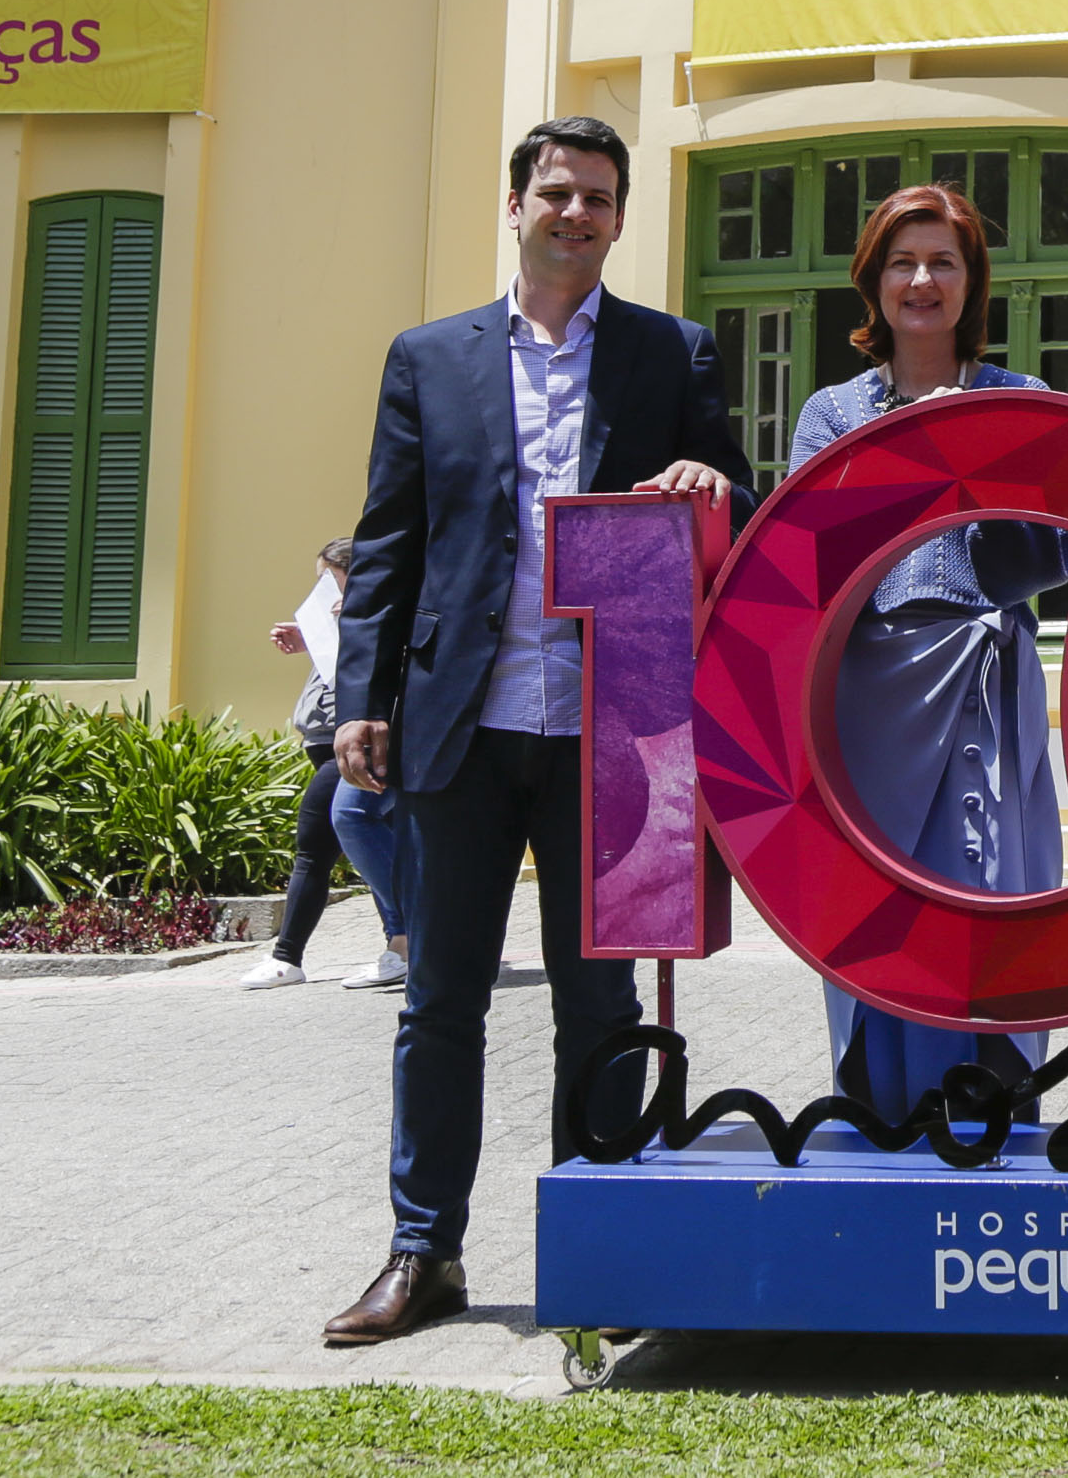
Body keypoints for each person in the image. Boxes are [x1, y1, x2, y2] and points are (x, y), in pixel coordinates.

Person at [320, 116, 753, 1348]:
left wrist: (707, 481)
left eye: (600, 199)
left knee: (598, 1001)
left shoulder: (673, 353)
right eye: (557, 192)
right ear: (514, 205)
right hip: (461, 723)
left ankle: (601, 1241)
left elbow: (734, 491)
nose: (578, 214)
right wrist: (362, 696)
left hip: (612, 731)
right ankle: (424, 1252)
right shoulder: (430, 358)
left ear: (620, 219)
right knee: (441, 1003)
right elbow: (391, 536)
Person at [781, 184, 1068, 1119]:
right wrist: (919, 455)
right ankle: (885, 1112)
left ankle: (993, 1104)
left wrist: (980, 456)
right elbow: (805, 563)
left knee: (986, 881)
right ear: (872, 282)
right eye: (903, 262)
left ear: (970, 281)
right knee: (877, 897)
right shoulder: (831, 413)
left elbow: (1057, 543)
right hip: (870, 689)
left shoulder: (1020, 399)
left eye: (943, 261)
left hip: (985, 677)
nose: (922, 280)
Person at [239, 539, 418, 993]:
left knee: (336, 829)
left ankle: (291, 956)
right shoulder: (346, 618)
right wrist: (316, 638)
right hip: (327, 744)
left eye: (328, 579)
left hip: (370, 741)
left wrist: (354, 626)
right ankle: (402, 943)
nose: (322, 591)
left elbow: (384, 669)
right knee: (361, 838)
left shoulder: (384, 608)